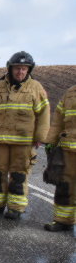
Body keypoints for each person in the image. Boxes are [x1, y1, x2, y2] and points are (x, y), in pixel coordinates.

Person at [0, 51, 50, 220]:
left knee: (18, 175)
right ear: (10, 68)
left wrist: (40, 136)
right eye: (17, 69)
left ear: (29, 70)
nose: (20, 72)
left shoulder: (35, 88)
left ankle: (15, 208)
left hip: (23, 142)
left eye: (24, 69)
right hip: (0, 140)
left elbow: (44, 114)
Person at [42, 85, 76, 231]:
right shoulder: (70, 93)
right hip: (68, 148)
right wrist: (51, 141)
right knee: (65, 186)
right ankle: (63, 221)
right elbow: (57, 122)